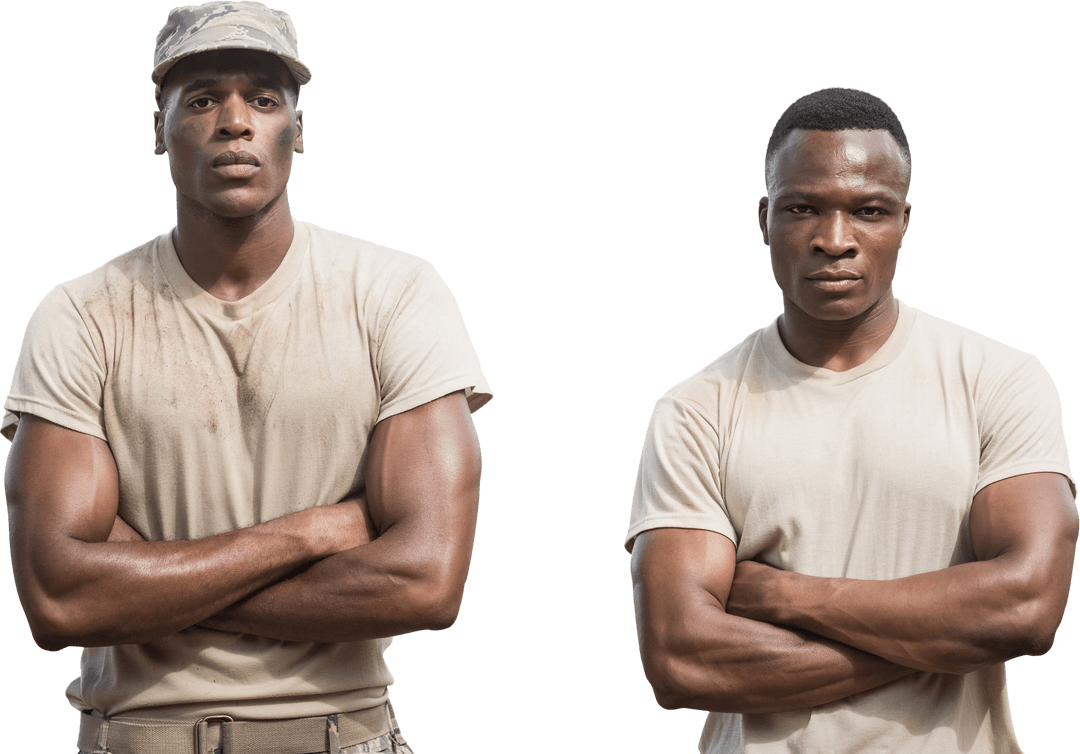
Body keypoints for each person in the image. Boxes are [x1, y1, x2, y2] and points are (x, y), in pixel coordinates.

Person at [2, 2, 492, 753]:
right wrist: (317, 530)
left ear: (298, 131)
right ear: (157, 131)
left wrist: (146, 579)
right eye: (201, 99)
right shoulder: (80, 315)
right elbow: (61, 601)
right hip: (139, 735)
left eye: (264, 99)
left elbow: (426, 582)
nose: (235, 121)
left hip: (344, 735)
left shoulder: (395, 293)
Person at [625, 87, 1078, 753]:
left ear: (904, 222)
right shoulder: (697, 409)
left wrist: (787, 598)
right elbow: (681, 659)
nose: (834, 241)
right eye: (803, 208)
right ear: (763, 219)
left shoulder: (999, 381)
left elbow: (1027, 608)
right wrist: (943, 641)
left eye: (868, 211)